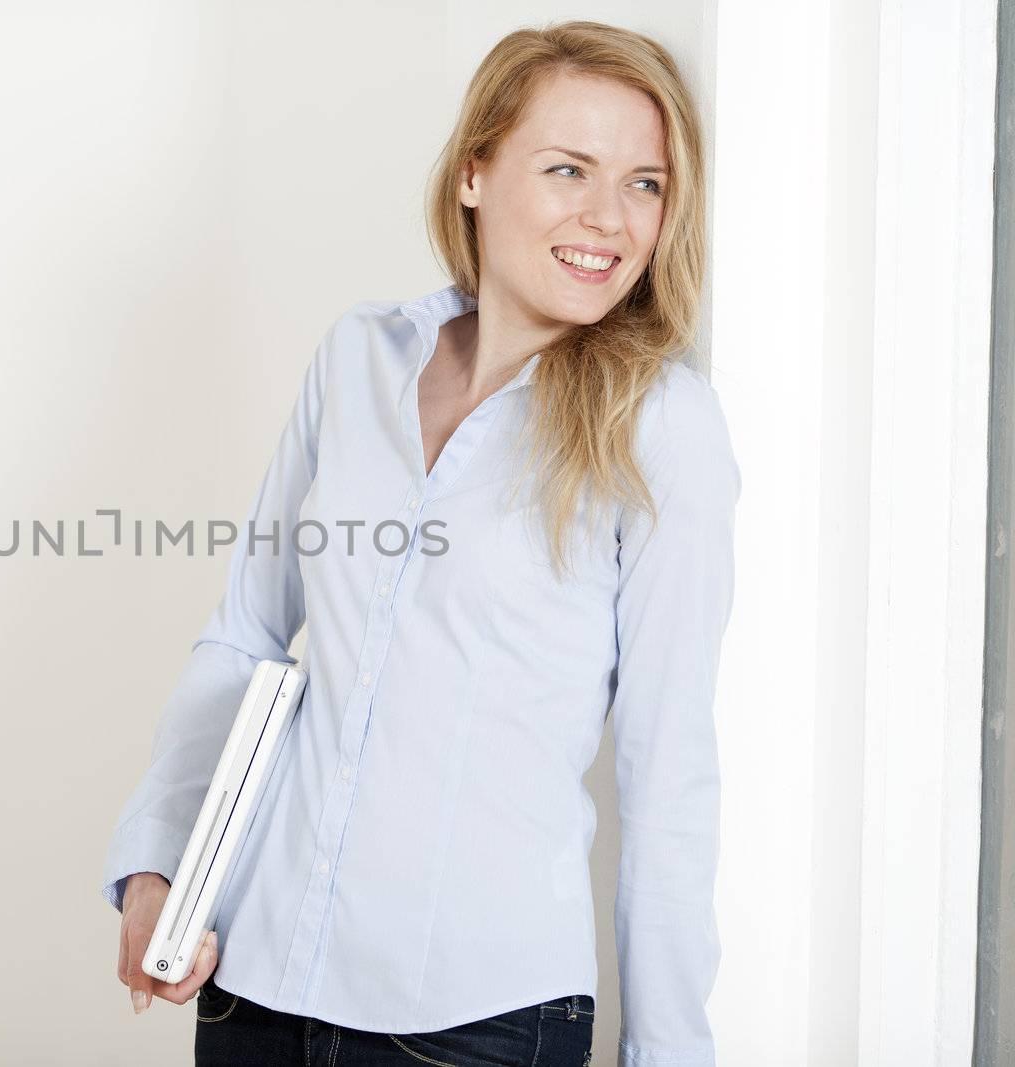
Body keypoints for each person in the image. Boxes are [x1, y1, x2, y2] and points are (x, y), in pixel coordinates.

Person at [100, 19, 739, 1067]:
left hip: (479, 1022)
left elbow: (670, 774)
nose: (607, 218)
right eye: (568, 168)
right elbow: (246, 635)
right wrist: (159, 867)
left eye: (644, 184)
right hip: (252, 986)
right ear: (475, 171)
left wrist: (669, 1051)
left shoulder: (663, 427)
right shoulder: (358, 357)